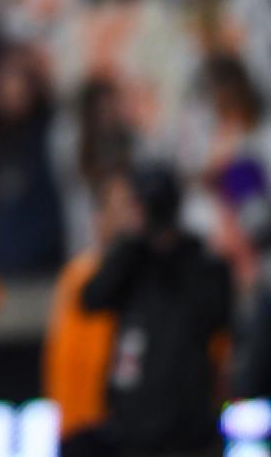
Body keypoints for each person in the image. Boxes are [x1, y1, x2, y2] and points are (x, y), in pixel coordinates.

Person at [80, 165, 231, 457]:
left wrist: (177, 251)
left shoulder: (198, 261)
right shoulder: (132, 261)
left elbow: (219, 316)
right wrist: (130, 243)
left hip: (188, 427)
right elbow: (91, 299)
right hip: (132, 426)